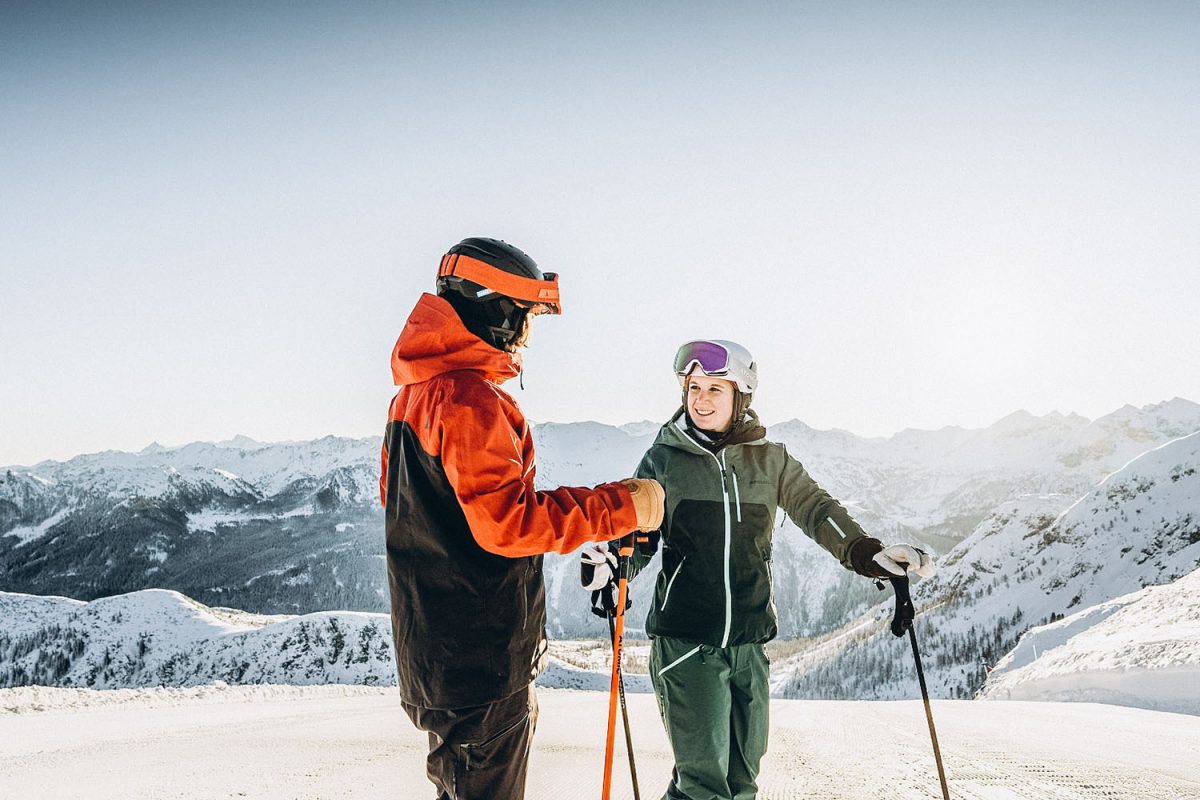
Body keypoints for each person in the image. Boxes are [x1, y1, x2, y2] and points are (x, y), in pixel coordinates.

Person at [581, 339, 934, 800]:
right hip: (688, 643)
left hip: (749, 643)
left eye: (714, 389)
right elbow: (640, 531)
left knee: (741, 783)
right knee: (704, 787)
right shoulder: (664, 460)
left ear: (740, 397)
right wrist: (614, 564)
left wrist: (866, 553)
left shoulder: (771, 460)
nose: (701, 399)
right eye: (693, 388)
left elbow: (815, 508)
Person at [381, 237, 665, 800]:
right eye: (527, 315)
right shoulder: (469, 400)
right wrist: (623, 507)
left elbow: (418, 516)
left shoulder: (413, 398)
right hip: (480, 661)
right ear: (498, 308)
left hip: (436, 654)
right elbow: (507, 524)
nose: (527, 335)